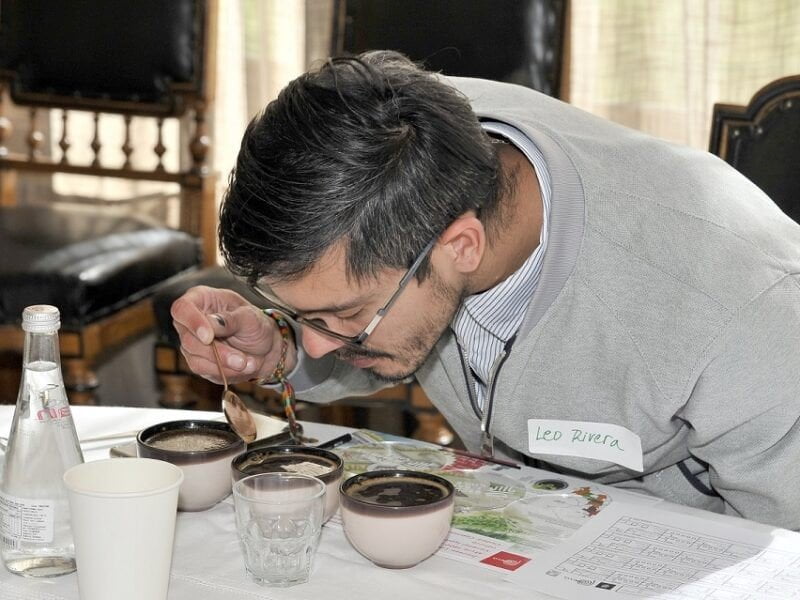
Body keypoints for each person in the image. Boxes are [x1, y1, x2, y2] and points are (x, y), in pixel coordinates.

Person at [172, 51, 800, 530]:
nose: (318, 342)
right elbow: (396, 321)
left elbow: (782, 555)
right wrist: (279, 346)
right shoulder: (398, 138)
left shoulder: (737, 307)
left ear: (462, 246)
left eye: (343, 315)